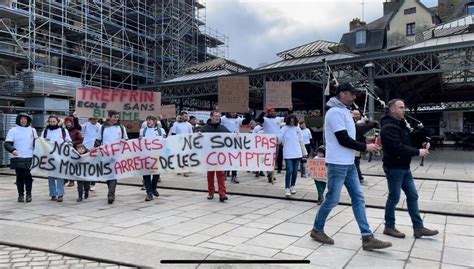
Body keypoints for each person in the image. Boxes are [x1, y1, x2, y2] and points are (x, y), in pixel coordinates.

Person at [310, 82, 392, 251]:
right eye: (351, 94)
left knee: (358, 198)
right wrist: (365, 147)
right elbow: (343, 139)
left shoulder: (345, 112)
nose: (354, 97)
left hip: (348, 164)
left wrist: (370, 125)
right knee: (332, 199)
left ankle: (367, 237)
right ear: (341, 94)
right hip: (338, 163)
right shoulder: (334, 113)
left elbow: (353, 132)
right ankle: (317, 229)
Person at [380, 99, 439, 239]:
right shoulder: (388, 127)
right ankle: (389, 226)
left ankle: (418, 227)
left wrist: (423, 141)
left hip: (404, 166)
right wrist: (418, 152)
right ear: (392, 109)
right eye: (401, 107)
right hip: (394, 166)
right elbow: (397, 147)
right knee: (394, 197)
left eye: (404, 107)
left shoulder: (400, 124)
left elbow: (409, 139)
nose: (404, 110)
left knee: (413, 195)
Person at [94, 110, 128, 204]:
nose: (115, 119)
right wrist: (94, 150)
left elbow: (125, 138)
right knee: (108, 174)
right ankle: (111, 191)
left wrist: (124, 141)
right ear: (109, 117)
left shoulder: (121, 127)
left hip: (117, 154)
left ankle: (111, 194)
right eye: (114, 117)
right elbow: (98, 140)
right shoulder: (102, 127)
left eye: (117, 117)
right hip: (105, 154)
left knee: (113, 174)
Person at [4, 113, 38, 203]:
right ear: (18, 120)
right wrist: (12, 150)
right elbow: (7, 143)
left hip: (29, 156)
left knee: (28, 176)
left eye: (25, 119)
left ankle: (28, 194)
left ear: (28, 120)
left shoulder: (32, 130)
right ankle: (20, 195)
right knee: (19, 177)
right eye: (22, 119)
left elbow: (37, 142)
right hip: (17, 156)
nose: (23, 121)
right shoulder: (13, 130)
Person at [201, 110, 230, 202]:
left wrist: (236, 136)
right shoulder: (204, 128)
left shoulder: (223, 128)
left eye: (219, 116)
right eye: (216, 116)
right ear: (211, 117)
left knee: (221, 174)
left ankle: (222, 193)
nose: (218, 118)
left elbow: (230, 138)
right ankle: (211, 192)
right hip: (208, 155)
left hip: (220, 155)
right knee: (210, 174)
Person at [42, 115, 72, 202]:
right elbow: (41, 142)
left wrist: (64, 146)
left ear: (57, 122)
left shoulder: (63, 130)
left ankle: (60, 194)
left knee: (60, 175)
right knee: (51, 176)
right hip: (49, 157)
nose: (52, 123)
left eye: (53, 121)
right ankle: (53, 193)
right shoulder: (45, 131)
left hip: (60, 156)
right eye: (50, 122)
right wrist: (44, 140)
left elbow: (69, 142)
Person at [279, 114, 307, 197]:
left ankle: (292, 186)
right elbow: (279, 139)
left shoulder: (297, 128)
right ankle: (287, 188)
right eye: (290, 120)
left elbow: (301, 141)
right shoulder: (284, 129)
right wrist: (276, 140)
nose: (292, 122)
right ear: (288, 120)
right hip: (288, 153)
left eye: (293, 120)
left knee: (295, 171)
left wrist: (304, 152)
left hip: (297, 152)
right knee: (289, 170)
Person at [139, 115, 166, 201]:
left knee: (156, 175)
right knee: (146, 175)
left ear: (154, 121)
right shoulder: (143, 131)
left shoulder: (160, 130)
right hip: (145, 156)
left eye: (150, 120)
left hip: (157, 155)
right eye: (147, 120)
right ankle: (149, 193)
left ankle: (154, 187)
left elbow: (165, 141)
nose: (148, 121)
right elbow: (139, 142)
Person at [221, 111, 251, 184]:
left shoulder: (238, 119)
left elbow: (247, 121)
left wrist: (247, 112)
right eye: (232, 112)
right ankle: (224, 173)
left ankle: (234, 175)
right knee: (225, 158)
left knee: (235, 159)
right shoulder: (223, 119)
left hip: (235, 141)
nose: (234, 113)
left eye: (235, 112)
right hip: (226, 141)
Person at [257, 107, 285, 183]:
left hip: (276, 141)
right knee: (269, 158)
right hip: (267, 142)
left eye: (274, 111)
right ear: (268, 112)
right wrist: (263, 112)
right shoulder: (265, 120)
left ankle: (271, 173)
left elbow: (288, 118)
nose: (273, 112)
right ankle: (269, 174)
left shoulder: (278, 119)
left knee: (274, 158)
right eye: (271, 111)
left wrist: (290, 110)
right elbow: (259, 119)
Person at [352, 109, 379, 185]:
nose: (357, 115)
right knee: (355, 163)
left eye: (358, 114)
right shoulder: (352, 123)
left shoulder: (362, 123)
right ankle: (359, 179)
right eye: (355, 114)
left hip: (357, 147)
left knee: (356, 163)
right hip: (352, 146)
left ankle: (359, 179)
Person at [169, 112, 193, 177]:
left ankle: (185, 171)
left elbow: (191, 134)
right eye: (185, 116)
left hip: (186, 142)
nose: (186, 117)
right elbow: (173, 133)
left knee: (186, 156)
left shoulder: (188, 124)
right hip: (178, 142)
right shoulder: (176, 124)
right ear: (181, 116)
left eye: (187, 116)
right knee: (179, 156)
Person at [81, 117, 101, 191]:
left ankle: (93, 183)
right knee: (85, 166)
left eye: (96, 119)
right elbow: (78, 127)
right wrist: (75, 117)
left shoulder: (100, 126)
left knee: (93, 166)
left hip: (95, 147)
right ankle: (85, 183)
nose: (94, 120)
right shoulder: (86, 125)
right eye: (93, 119)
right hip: (86, 147)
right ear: (90, 119)